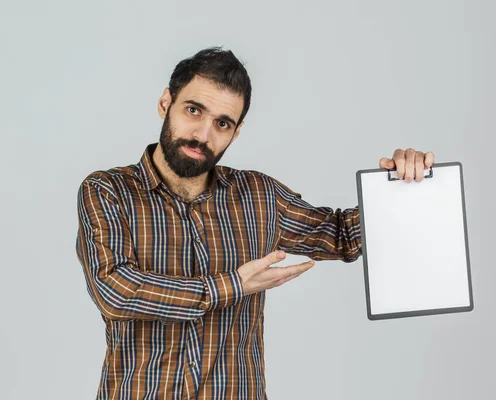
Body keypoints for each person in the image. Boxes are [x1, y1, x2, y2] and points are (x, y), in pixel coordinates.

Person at [75, 46, 435, 400]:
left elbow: (342, 235)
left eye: (222, 123)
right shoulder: (108, 191)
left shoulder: (260, 196)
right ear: (165, 103)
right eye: (193, 110)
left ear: (237, 131)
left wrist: (401, 185)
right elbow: (115, 291)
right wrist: (232, 286)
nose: (203, 135)